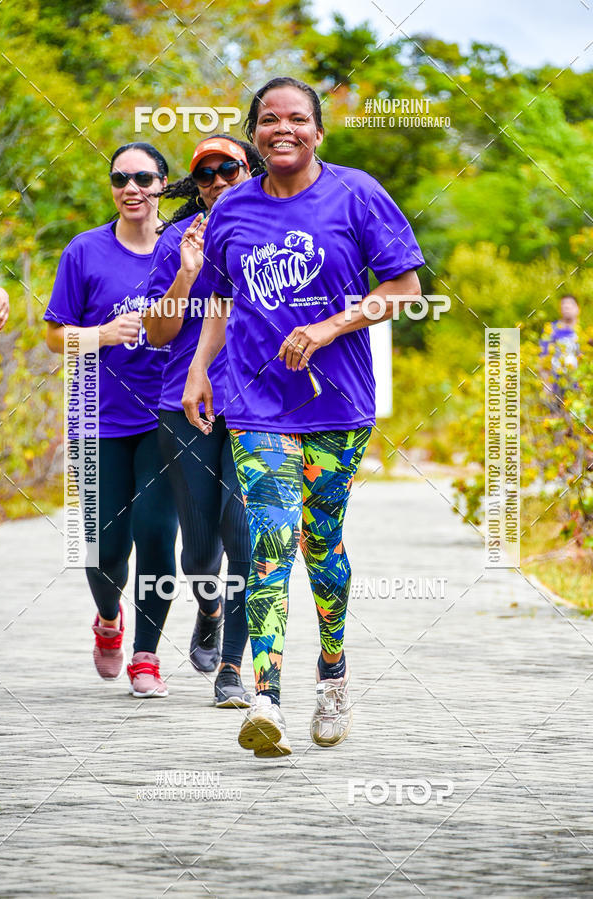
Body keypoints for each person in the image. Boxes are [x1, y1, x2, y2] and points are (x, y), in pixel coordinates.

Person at [182, 77, 424, 757]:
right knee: (270, 538)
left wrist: (328, 326)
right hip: (254, 402)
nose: (281, 129)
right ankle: (266, 699)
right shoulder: (232, 210)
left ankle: (335, 673)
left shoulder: (356, 193)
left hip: (337, 403)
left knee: (321, 544)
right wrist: (201, 369)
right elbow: (221, 303)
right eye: (267, 120)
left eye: (296, 119)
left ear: (318, 131)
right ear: (255, 133)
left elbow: (403, 287)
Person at [44, 142, 179, 698]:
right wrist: (98, 336)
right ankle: (107, 620)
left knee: (155, 535)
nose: (131, 188)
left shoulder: (182, 247)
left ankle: (146, 655)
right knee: (101, 547)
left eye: (143, 178)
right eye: (120, 178)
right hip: (94, 413)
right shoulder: (85, 251)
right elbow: (55, 336)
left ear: (163, 184)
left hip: (164, 412)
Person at [143, 135, 263, 708]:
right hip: (183, 404)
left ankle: (233, 671)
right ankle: (209, 608)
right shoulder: (176, 239)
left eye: (228, 169)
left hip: (258, 404)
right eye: (206, 174)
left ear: (249, 169)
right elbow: (159, 332)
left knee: (244, 535)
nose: (217, 181)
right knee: (198, 552)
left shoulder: (276, 232)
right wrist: (188, 272)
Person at [540, 294, 580, 398]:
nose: (566, 308)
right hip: (556, 383)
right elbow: (543, 358)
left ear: (577, 309)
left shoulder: (584, 331)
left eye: (570, 305)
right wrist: (546, 384)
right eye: (563, 306)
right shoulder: (551, 329)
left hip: (578, 383)